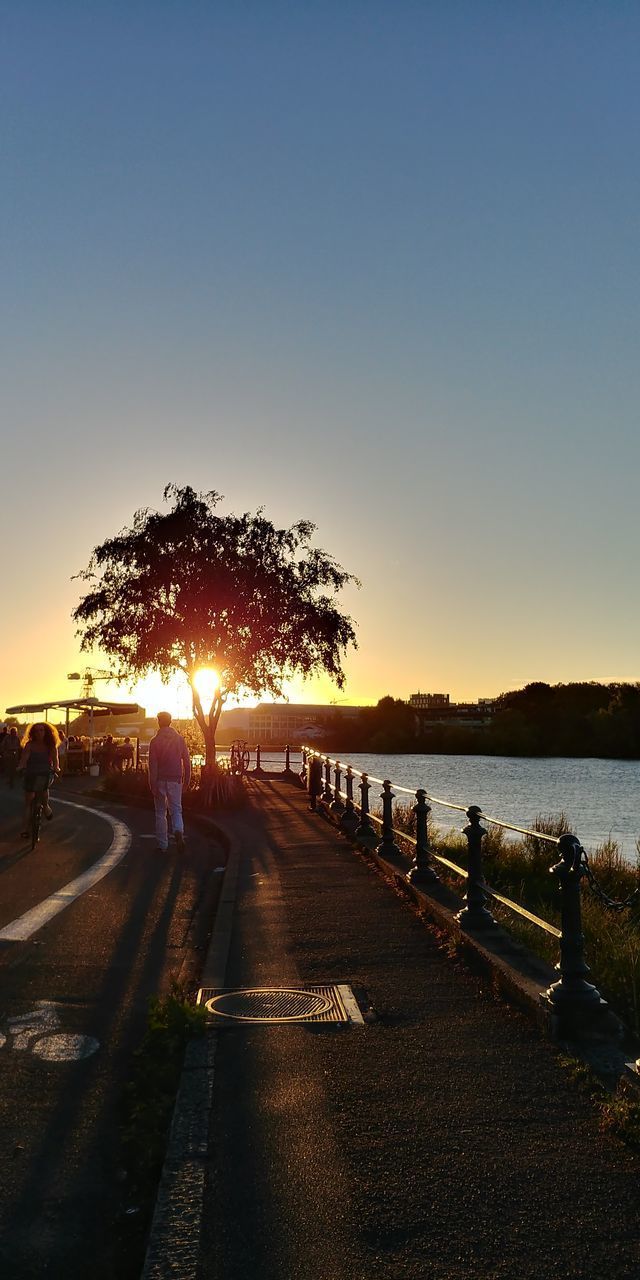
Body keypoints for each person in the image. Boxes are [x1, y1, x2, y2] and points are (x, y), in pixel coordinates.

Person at [148, 712, 191, 853]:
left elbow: (152, 765)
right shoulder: (179, 739)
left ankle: (162, 845)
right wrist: (187, 780)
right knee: (176, 810)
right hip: (176, 780)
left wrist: (152, 783)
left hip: (160, 780)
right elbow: (187, 761)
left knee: (160, 813)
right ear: (171, 721)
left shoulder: (154, 741)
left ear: (158, 722)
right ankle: (178, 830)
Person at [19, 722, 60, 838]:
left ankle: (46, 806)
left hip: (45, 773)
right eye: (36, 731)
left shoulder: (51, 745)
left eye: (41, 730)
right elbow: (24, 758)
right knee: (28, 801)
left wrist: (56, 768)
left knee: (44, 790)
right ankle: (24, 829)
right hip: (31, 773)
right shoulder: (29, 745)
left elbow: (55, 760)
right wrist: (21, 766)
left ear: (46, 732)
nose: (39, 733)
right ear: (33, 733)